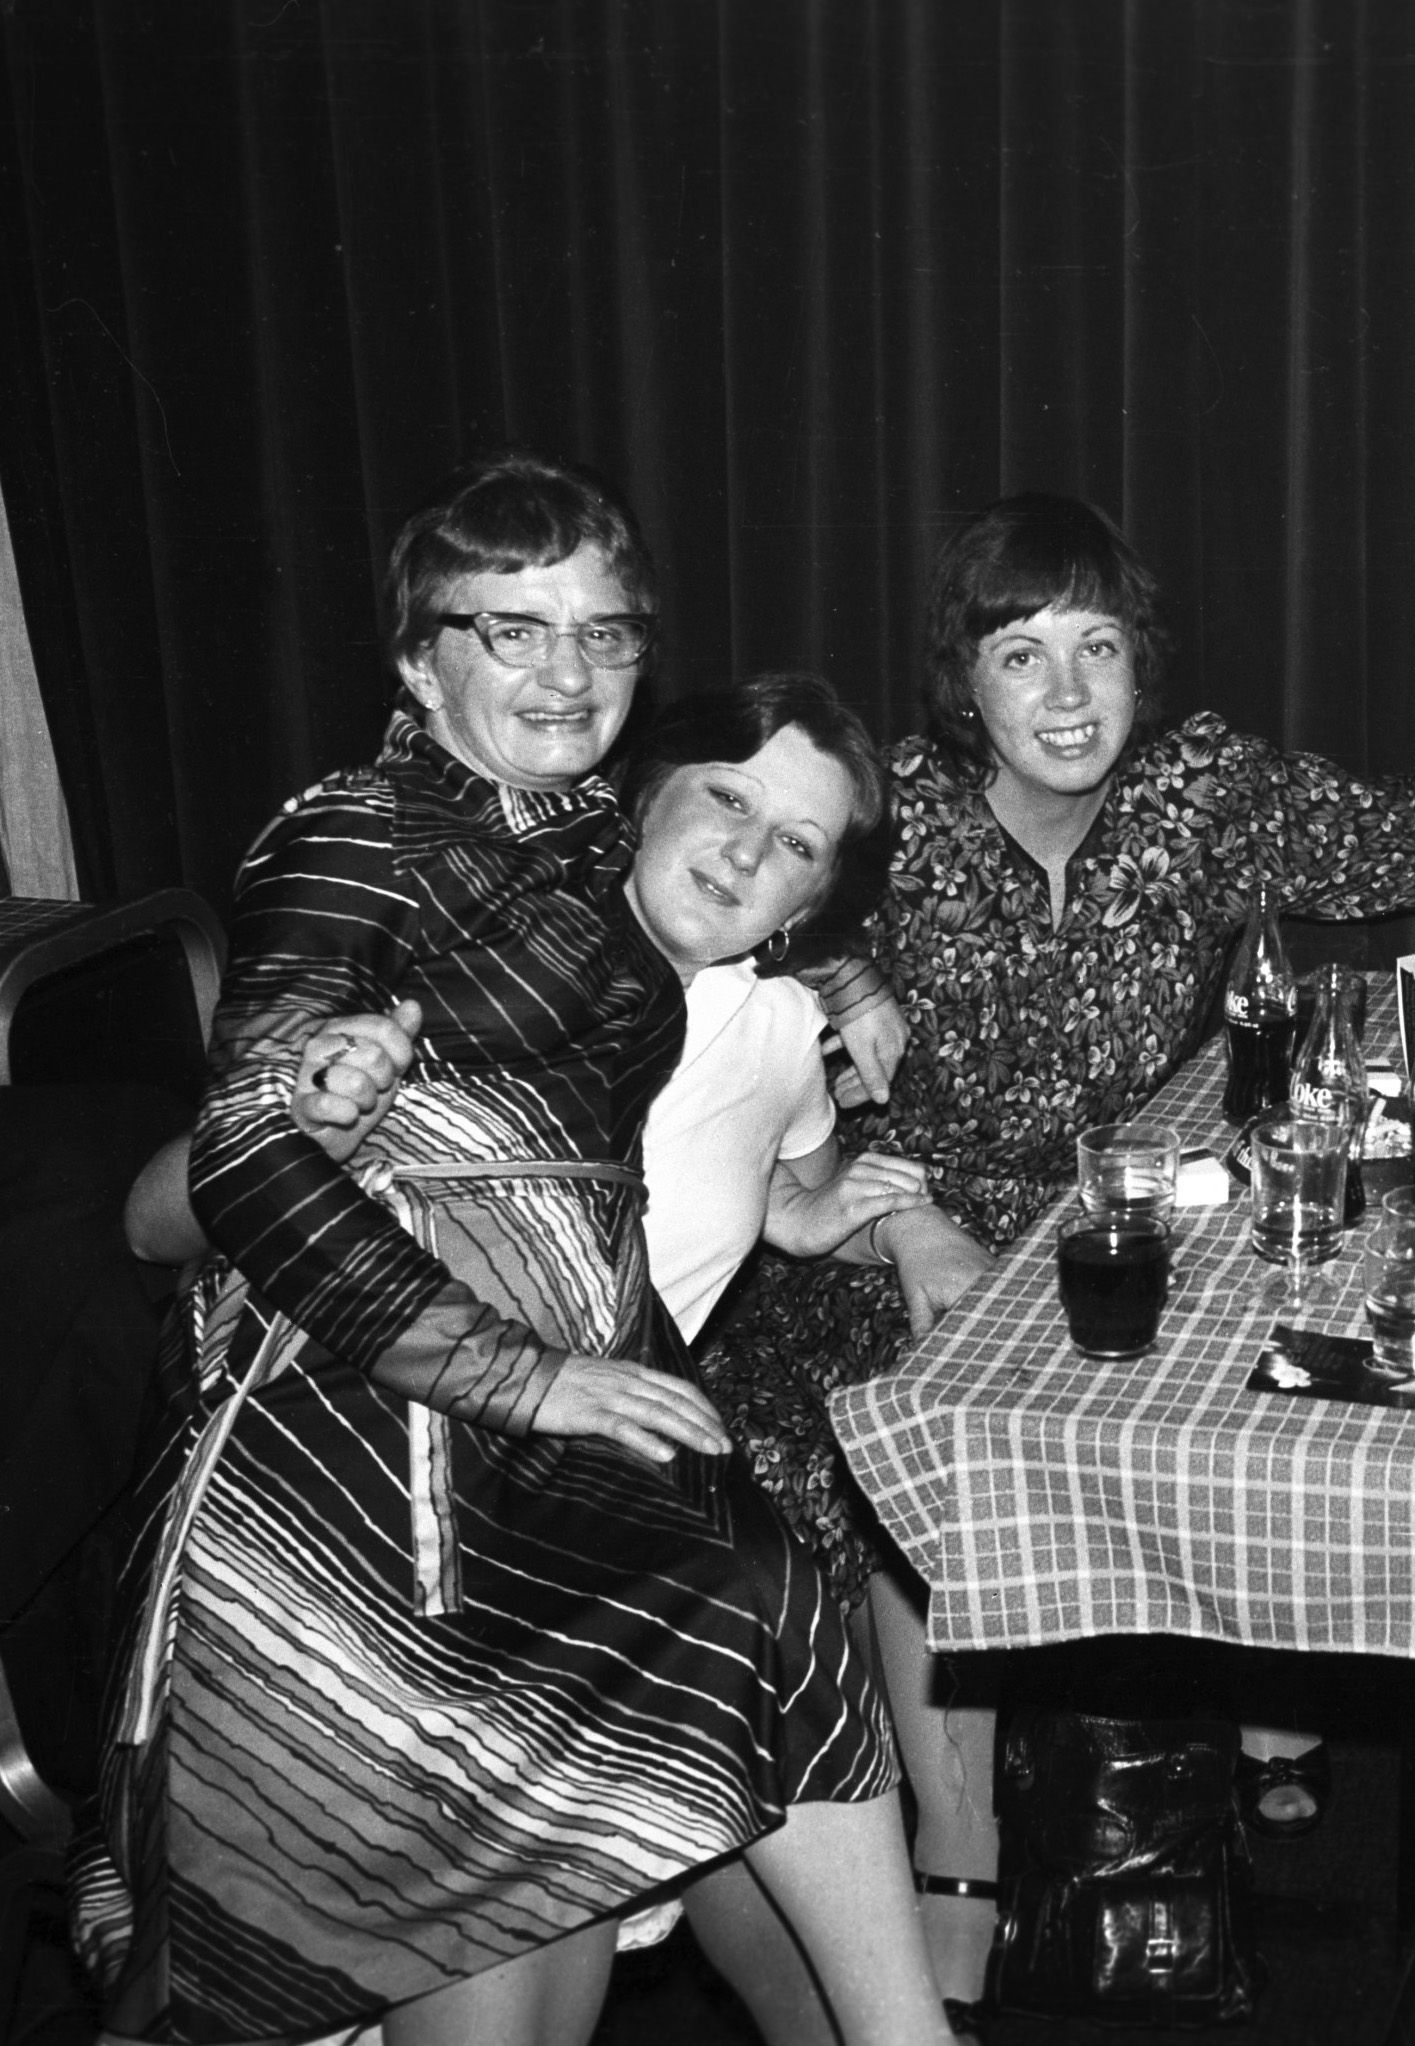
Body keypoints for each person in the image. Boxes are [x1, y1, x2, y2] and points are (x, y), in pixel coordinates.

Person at [76, 454, 958, 2046]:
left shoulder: (578, 842)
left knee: (759, 1612)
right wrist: (517, 1366)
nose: (569, 670)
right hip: (362, 1426)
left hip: (553, 1419)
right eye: (515, 630)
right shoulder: (356, 829)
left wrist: (838, 976)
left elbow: (727, 898)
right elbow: (241, 1166)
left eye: (607, 634)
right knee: (493, 1909)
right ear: (422, 659)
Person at [698, 489, 1415, 2015]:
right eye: (1019, 655)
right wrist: (868, 1075)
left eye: (1097, 647)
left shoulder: (1203, 792)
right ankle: (962, 1851)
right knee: (929, 1397)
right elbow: (720, 936)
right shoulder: (891, 813)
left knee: (1300, 1328)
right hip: (879, 1215)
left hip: (1116, 1200)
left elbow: (1411, 835)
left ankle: (1233, 1707)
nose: (1065, 695)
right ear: (961, 681)